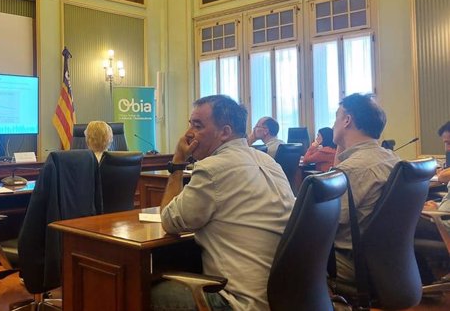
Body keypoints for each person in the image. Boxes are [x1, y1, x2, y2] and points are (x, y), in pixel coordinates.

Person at [152, 95, 295, 311]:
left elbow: (169, 221)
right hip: (285, 298)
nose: (188, 133)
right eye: (190, 124)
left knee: (147, 291)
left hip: (240, 303)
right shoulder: (268, 162)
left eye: (197, 126)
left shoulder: (213, 168)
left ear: (225, 132)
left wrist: (178, 162)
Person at [330, 93, 398, 283]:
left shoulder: (352, 170)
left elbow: (322, 225)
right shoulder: (392, 160)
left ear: (347, 121)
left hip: (349, 261)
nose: (332, 124)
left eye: (336, 117)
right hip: (389, 263)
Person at [415, 121, 450, 283]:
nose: (447, 149)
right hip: (442, 217)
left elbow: (443, 176)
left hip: (444, 225)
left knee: (396, 223)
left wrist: (433, 213)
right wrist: (436, 207)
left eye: (449, 143)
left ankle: (422, 282)